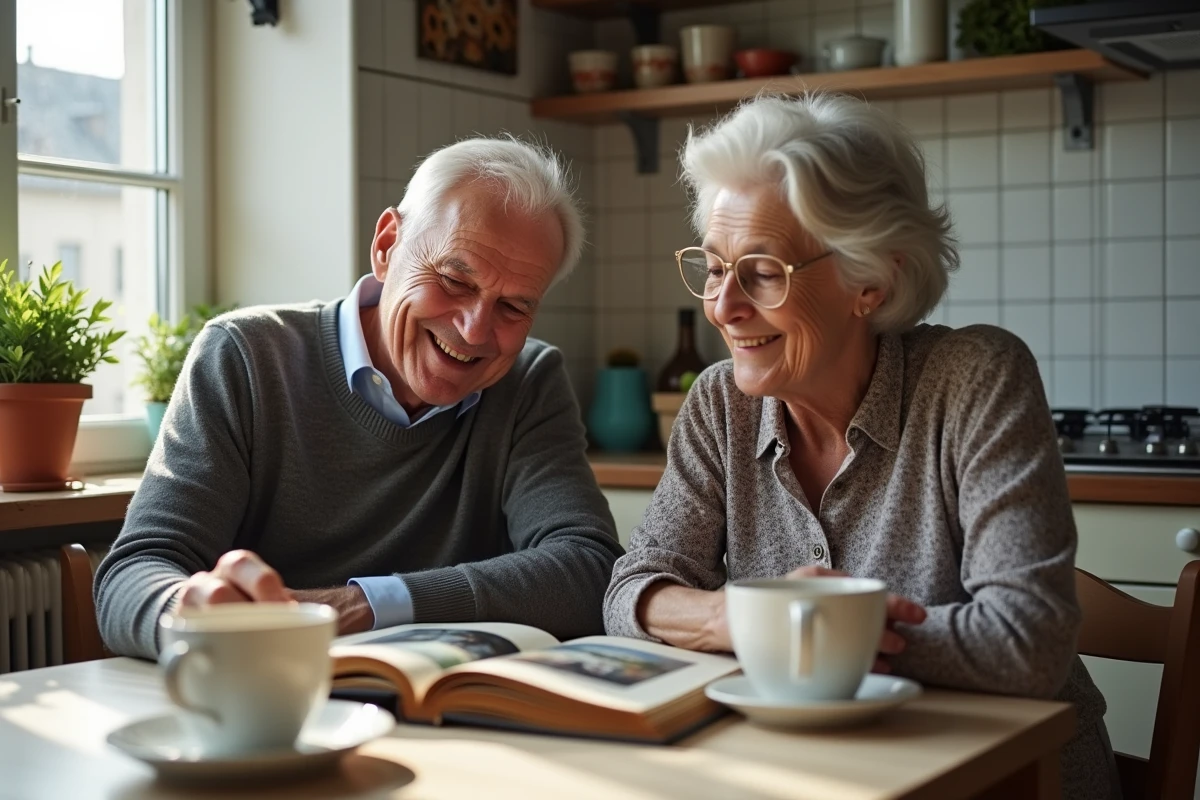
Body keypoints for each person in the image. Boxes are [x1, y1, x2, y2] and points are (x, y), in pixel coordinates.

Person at [602, 95, 1118, 799]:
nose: (722, 307)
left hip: (1009, 781)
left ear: (869, 279)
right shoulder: (719, 403)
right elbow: (633, 591)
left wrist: (822, 630)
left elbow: (1030, 642)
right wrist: (741, 617)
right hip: (811, 776)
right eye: (715, 267)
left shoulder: (975, 380)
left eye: (763, 271)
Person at [96, 137, 623, 660]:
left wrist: (356, 609)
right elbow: (135, 572)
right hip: (262, 699)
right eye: (453, 280)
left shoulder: (528, 380)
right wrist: (188, 614)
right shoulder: (246, 356)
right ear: (387, 246)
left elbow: (588, 567)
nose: (474, 329)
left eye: (513, 307)